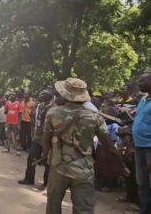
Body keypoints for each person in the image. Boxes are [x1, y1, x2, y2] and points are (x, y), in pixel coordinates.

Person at [43, 78, 129, 214]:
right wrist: (121, 167)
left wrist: (45, 154)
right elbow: (109, 146)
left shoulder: (53, 113)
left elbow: (46, 138)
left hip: (58, 165)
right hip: (84, 168)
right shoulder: (95, 116)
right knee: (84, 209)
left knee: (53, 205)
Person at [18, 90, 53, 190]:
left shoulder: (52, 107)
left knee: (47, 161)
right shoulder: (40, 106)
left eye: (43, 94)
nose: (40, 95)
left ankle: (46, 183)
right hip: (37, 137)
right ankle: (29, 178)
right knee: (31, 158)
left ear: (49, 97)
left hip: (47, 137)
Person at [132, 72, 151, 214]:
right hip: (139, 147)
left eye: (142, 81)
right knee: (142, 183)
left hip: (149, 148)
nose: (139, 83)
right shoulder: (143, 100)